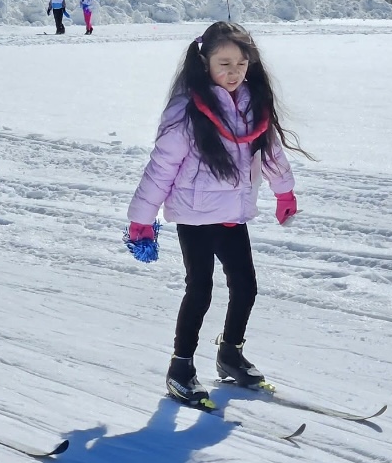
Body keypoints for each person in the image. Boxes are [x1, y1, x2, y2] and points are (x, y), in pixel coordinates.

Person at [125, 21, 311, 408]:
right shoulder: (187, 110)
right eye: (224, 63)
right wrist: (143, 219)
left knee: (246, 286)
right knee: (201, 289)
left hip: (232, 214)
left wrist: (284, 191)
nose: (234, 72)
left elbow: (270, 151)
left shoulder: (251, 102)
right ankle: (181, 367)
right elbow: (161, 168)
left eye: (242, 63)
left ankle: (230, 353)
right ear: (203, 61)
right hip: (195, 216)